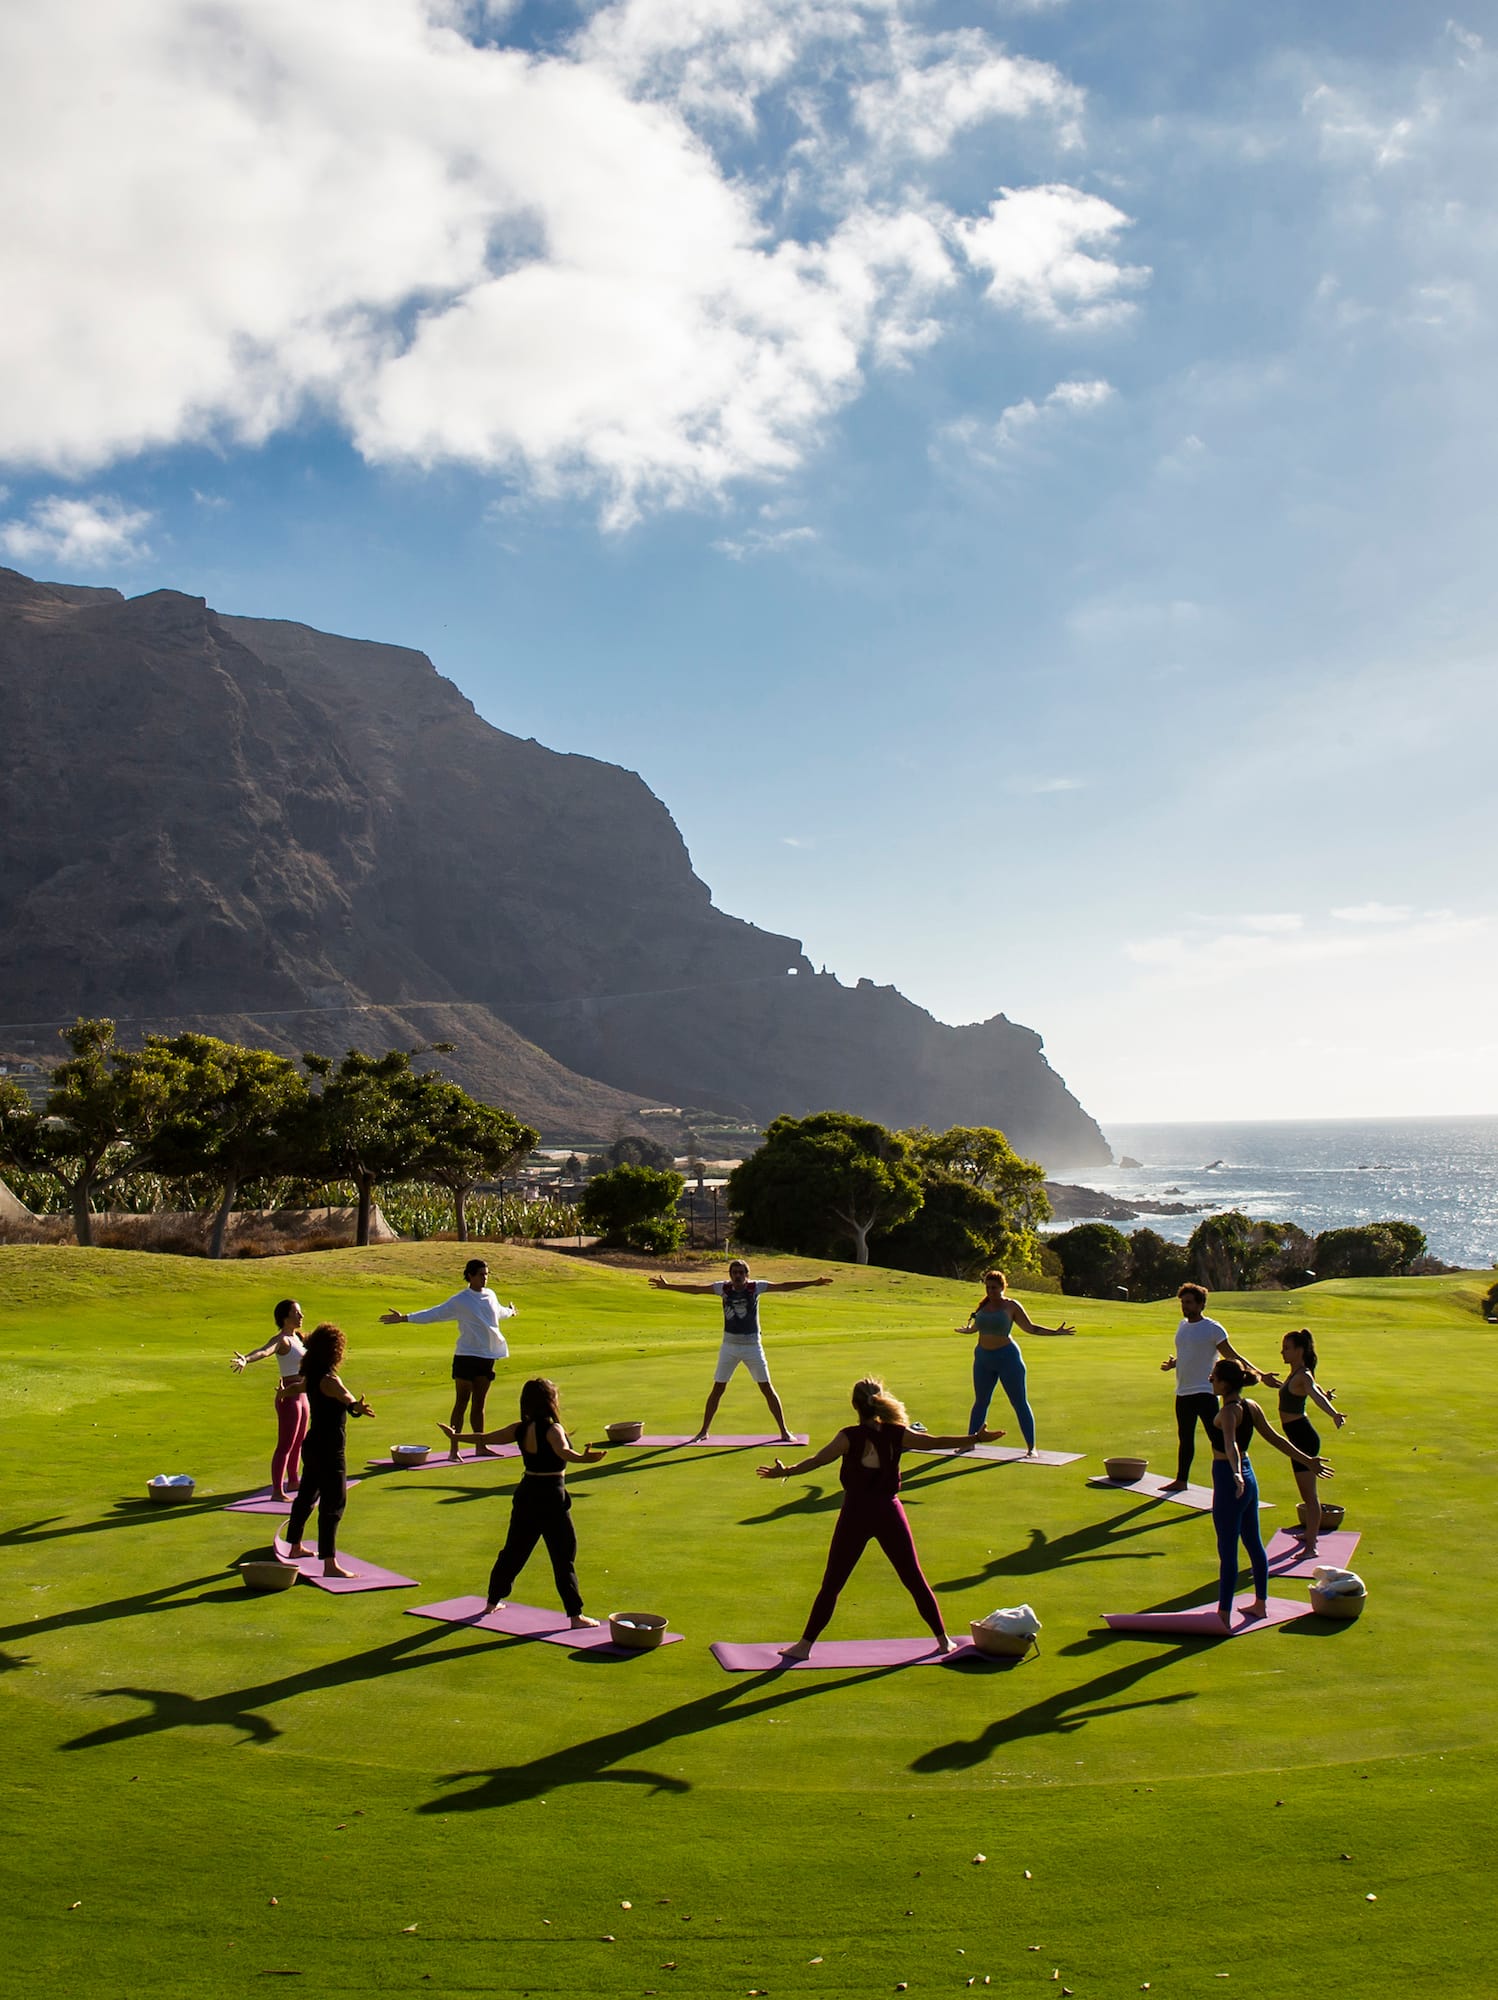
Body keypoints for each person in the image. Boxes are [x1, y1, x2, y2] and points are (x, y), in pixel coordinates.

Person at [757, 1377, 1003, 1662]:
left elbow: (818, 1460)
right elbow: (935, 1443)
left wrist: (786, 1471)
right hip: (889, 1513)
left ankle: (804, 1647)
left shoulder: (848, 1437)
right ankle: (943, 1640)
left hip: (855, 1515)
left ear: (854, 1405)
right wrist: (975, 1438)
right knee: (914, 1579)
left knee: (832, 1584)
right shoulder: (897, 1433)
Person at [443, 1378, 606, 1627]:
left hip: (527, 1493)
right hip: (551, 1496)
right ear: (549, 1402)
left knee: (513, 1551)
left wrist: (456, 1436)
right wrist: (584, 1459)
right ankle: (575, 1615)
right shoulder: (554, 1429)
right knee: (563, 1555)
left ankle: (492, 1602)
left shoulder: (519, 1428)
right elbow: (564, 1452)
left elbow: (485, 1437)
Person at [647, 1259, 832, 1443]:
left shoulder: (755, 1287)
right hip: (729, 1347)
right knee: (718, 1388)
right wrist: (668, 1286)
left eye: (741, 1272)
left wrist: (813, 1282)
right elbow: (696, 1289)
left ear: (747, 1275)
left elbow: (783, 1286)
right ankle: (703, 1431)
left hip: (753, 1347)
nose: (738, 1276)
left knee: (767, 1388)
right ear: (730, 1275)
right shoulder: (723, 1288)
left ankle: (784, 1431)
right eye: (734, 1272)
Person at [1208, 1357, 1331, 1629]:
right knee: (1253, 1542)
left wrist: (1235, 1473)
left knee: (1227, 1549)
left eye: (1214, 1376)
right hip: (1249, 1479)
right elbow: (1277, 1439)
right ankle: (1260, 1604)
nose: (1210, 1379)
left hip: (1231, 1480)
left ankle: (1223, 1615)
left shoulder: (1228, 1412)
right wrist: (1308, 1460)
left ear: (1225, 1384)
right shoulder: (1251, 1406)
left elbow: (1231, 1445)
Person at [380, 1258, 517, 1460]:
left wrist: (511, 1311)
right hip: (466, 1357)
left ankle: (480, 1446)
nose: (485, 1278)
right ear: (470, 1276)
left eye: (487, 1274)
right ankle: (454, 1450)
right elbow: (435, 1313)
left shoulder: (491, 1295)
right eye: (481, 1274)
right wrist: (405, 1317)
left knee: (479, 1404)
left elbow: (498, 1312)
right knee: (461, 1402)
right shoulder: (461, 1300)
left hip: (487, 1357)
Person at [1160, 1282, 1276, 1492]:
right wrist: (1174, 1363)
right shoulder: (1182, 1326)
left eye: (1189, 1302)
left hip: (1206, 1391)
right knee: (1185, 1438)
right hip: (1183, 1391)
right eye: (1183, 1302)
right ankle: (1181, 1481)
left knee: (1219, 1440)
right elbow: (1189, 1353)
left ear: (1201, 1304)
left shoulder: (1213, 1329)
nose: (1185, 1306)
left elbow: (1233, 1356)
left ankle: (1234, 1479)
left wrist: (1260, 1374)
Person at [282, 1323, 374, 1579]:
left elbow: (298, 1388)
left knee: (306, 1496)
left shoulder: (314, 1376)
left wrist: (285, 1391)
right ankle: (330, 1564)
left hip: (312, 1445)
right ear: (333, 1351)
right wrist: (357, 1408)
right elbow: (348, 1400)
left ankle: (295, 1545)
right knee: (333, 1503)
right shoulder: (330, 1380)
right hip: (330, 1449)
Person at [958, 1269, 1075, 1454]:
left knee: (1019, 1402)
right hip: (983, 1359)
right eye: (988, 1287)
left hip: (1007, 1358)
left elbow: (1031, 1328)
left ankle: (1031, 1448)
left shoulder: (1011, 1306)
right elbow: (977, 1327)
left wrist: (1055, 1332)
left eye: (994, 1288)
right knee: (980, 1402)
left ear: (1003, 1287)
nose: (990, 1291)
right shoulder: (983, 1306)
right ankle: (969, 1442)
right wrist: (968, 1331)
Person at [1276, 1328, 1347, 1553]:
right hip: (1297, 1436)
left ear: (1299, 1350)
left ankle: (1311, 1546)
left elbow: (1315, 1395)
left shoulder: (1303, 1375)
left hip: (1303, 1438)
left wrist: (1334, 1413)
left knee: (1310, 1496)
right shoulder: (1295, 1374)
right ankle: (1309, 1533)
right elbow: (1313, 1391)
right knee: (1306, 1495)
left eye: (1287, 1348)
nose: (1282, 1352)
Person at [231, 1298, 309, 1501]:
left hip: (303, 1394)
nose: (301, 1316)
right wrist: (246, 1359)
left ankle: (293, 1480)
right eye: (296, 1313)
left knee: (299, 1441)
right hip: (289, 1396)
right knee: (285, 1444)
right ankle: (277, 1491)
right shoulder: (282, 1340)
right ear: (285, 1317)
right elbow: (264, 1351)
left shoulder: (297, 1338)